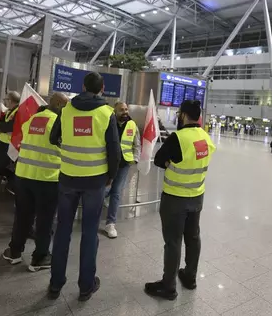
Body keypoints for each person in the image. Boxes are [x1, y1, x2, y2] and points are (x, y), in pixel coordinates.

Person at [47, 72, 120, 302]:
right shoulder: (106, 113)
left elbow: (53, 138)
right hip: (95, 181)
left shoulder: (66, 110)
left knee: (62, 231)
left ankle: (55, 284)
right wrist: (111, 176)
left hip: (68, 178)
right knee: (89, 233)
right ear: (103, 88)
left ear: (83, 86)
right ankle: (86, 286)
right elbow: (114, 151)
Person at [144, 100, 216, 300]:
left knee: (173, 241)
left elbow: (159, 159)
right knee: (193, 238)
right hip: (197, 197)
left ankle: (168, 286)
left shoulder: (178, 138)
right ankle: (190, 277)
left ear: (183, 115)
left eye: (179, 114)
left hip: (175, 198)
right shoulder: (205, 137)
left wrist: (170, 163)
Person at [1, 93, 68, 271]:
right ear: (60, 104)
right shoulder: (59, 123)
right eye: (66, 105)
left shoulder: (31, 120)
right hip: (47, 178)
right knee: (45, 220)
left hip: (23, 176)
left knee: (22, 217)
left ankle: (14, 252)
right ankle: (40, 257)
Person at [104, 102, 140, 239]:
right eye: (121, 110)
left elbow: (137, 144)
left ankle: (110, 223)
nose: (125, 112)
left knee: (116, 192)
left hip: (124, 164)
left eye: (126, 109)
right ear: (115, 111)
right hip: (107, 164)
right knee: (104, 191)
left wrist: (135, 159)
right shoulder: (108, 123)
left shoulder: (132, 124)